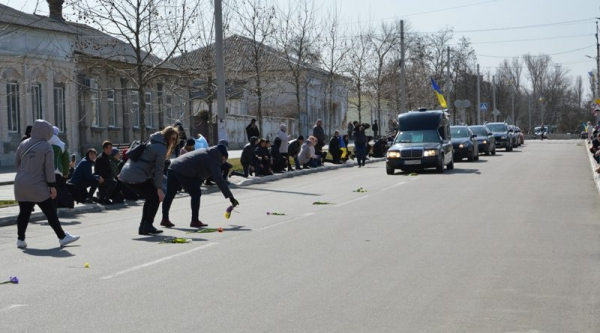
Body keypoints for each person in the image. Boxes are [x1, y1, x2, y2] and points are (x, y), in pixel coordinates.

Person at [14, 119, 79, 249]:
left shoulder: (23, 143)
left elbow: (17, 162)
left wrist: (25, 173)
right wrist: (52, 186)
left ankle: (20, 240)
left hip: (20, 183)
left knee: (24, 212)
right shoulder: (46, 146)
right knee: (50, 212)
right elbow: (49, 169)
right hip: (37, 184)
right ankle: (62, 237)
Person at [160, 145, 239, 228]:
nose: (224, 162)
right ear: (222, 156)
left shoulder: (206, 152)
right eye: (225, 159)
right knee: (196, 193)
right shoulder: (214, 160)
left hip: (173, 167)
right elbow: (220, 181)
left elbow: (200, 172)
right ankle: (195, 221)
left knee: (169, 195)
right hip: (184, 171)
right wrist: (231, 198)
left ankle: (164, 219)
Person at [120, 126, 179, 235]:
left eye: (175, 139)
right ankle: (147, 225)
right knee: (155, 197)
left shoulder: (151, 141)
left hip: (126, 174)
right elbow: (159, 170)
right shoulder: (161, 148)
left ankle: (144, 226)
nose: (173, 141)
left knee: (150, 197)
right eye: (172, 138)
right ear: (167, 137)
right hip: (135, 175)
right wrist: (159, 189)